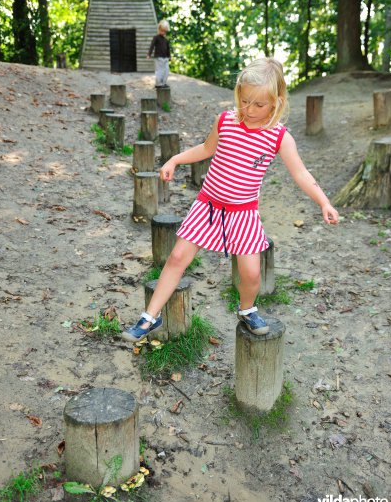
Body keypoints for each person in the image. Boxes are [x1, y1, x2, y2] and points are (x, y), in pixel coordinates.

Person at [122, 57, 339, 343]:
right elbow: (205, 148)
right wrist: (175, 159)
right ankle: (150, 317)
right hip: (207, 206)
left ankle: (247, 309)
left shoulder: (279, 137)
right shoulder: (226, 121)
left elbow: (300, 174)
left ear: (276, 102)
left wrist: (324, 202)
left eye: (258, 105)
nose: (249, 110)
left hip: (243, 214)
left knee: (250, 275)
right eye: (245, 100)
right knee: (176, 258)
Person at [147, 20, 171, 88]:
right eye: (162, 30)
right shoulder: (156, 38)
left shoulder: (166, 40)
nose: (163, 32)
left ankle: (163, 83)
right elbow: (152, 46)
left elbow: (168, 49)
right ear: (159, 29)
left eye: (164, 31)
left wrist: (169, 56)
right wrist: (149, 54)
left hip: (165, 58)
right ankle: (158, 84)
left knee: (166, 70)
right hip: (158, 57)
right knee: (159, 71)